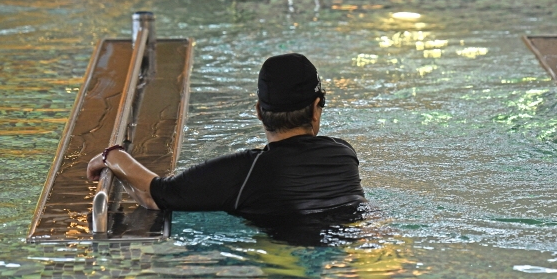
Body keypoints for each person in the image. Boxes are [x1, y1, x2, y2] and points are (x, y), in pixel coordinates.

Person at [86, 53, 367, 228]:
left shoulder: (246, 172)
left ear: (258, 111)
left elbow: (154, 196)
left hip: (287, 259)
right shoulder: (344, 155)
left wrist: (114, 156)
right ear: (316, 109)